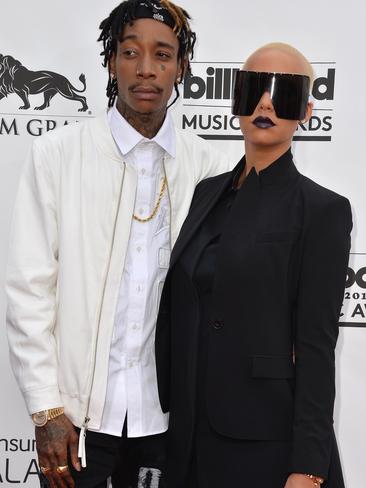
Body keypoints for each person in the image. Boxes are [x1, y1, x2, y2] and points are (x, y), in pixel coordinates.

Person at [5, 1, 230, 487]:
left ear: (181, 67)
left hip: (167, 418)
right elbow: (28, 289)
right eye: (130, 52)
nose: (146, 69)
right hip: (77, 422)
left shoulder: (208, 166)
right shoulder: (58, 154)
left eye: (163, 55)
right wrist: (46, 410)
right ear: (111, 61)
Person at [155, 43, 352, 488]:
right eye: (254, 89)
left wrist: (307, 468)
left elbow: (318, 348)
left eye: (284, 93)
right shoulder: (207, 194)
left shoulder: (322, 210)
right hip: (188, 437)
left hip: (267, 441)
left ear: (305, 109)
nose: (266, 103)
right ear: (235, 100)